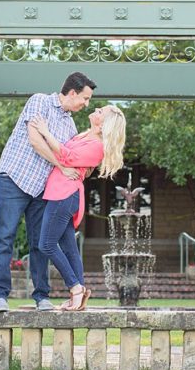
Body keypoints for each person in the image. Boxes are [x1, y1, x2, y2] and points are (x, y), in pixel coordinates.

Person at [0, 72, 96, 312]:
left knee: (39, 243)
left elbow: (70, 156)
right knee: (5, 237)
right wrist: (61, 165)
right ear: (72, 92)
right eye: (85, 98)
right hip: (14, 178)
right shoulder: (40, 102)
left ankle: (41, 296)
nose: (86, 104)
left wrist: (88, 160)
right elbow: (36, 142)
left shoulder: (70, 124)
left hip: (42, 188)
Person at [30, 105, 126, 311]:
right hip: (58, 192)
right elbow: (65, 155)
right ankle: (80, 294)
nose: (97, 108)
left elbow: (67, 156)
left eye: (102, 112)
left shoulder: (97, 145)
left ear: (103, 125)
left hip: (64, 195)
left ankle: (74, 287)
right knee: (69, 248)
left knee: (46, 244)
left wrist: (45, 132)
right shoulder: (85, 135)